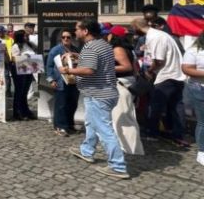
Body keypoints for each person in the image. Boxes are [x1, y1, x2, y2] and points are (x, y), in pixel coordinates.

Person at [64, 19, 128, 179]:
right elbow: (96, 63)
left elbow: (89, 70)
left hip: (99, 94)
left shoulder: (91, 46)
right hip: (103, 92)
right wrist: (78, 56)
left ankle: (118, 166)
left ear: (85, 31)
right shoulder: (103, 44)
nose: (75, 32)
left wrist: (68, 69)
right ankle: (87, 151)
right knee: (92, 123)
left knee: (105, 130)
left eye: (77, 29)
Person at [130, 17, 188, 146]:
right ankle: (178, 134)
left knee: (155, 106)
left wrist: (149, 71)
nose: (133, 31)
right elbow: (151, 56)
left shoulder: (155, 37)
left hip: (166, 76)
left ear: (137, 27)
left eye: (133, 28)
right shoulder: (157, 36)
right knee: (175, 106)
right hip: (175, 75)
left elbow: (159, 60)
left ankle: (152, 133)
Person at [107, 26, 144, 155]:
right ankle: (128, 146)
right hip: (128, 83)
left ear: (113, 36)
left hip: (121, 85)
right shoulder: (129, 49)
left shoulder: (118, 49)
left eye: (110, 34)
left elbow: (126, 66)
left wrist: (106, 67)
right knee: (127, 116)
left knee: (123, 119)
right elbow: (134, 69)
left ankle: (129, 148)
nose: (108, 36)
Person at [46, 29, 80, 136]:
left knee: (72, 104)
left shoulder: (75, 49)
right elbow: (49, 66)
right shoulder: (55, 50)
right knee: (61, 105)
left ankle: (69, 125)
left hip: (74, 82)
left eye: (68, 37)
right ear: (61, 38)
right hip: (61, 82)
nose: (66, 39)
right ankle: (60, 127)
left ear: (72, 38)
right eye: (63, 37)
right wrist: (51, 80)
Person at [182, 30, 204, 167]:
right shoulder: (194, 51)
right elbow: (186, 69)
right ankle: (202, 151)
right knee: (203, 121)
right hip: (199, 88)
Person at [10, 30, 36, 121]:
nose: (27, 37)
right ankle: (17, 112)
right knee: (19, 92)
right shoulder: (16, 46)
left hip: (29, 70)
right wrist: (27, 58)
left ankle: (25, 110)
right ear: (20, 36)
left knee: (25, 92)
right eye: (25, 36)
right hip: (19, 71)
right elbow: (14, 59)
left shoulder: (29, 45)